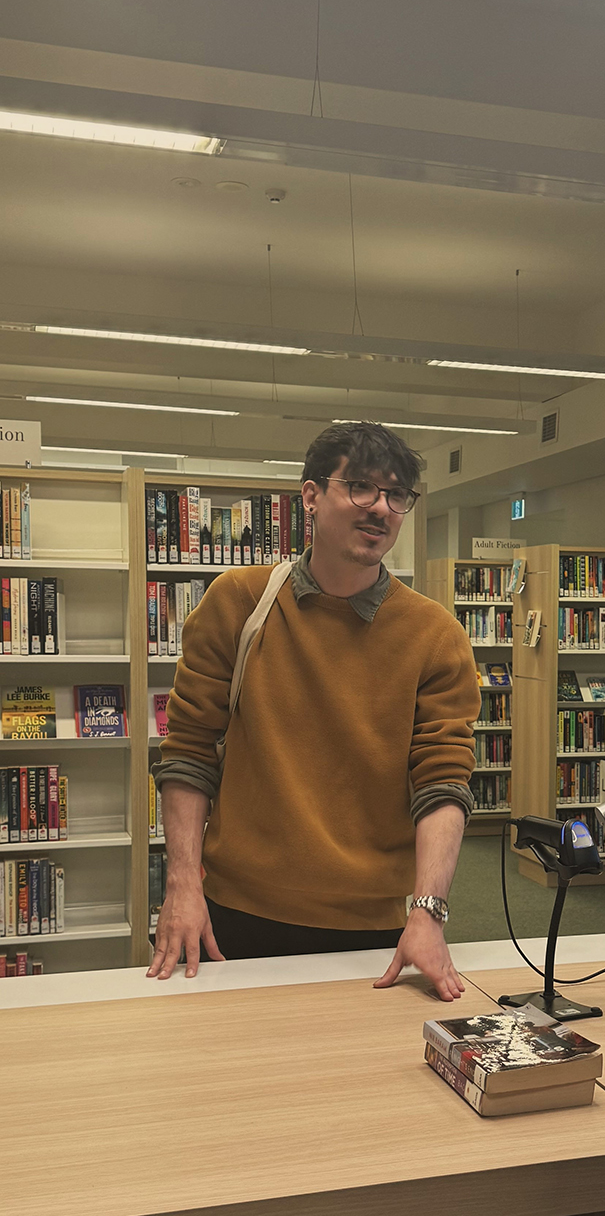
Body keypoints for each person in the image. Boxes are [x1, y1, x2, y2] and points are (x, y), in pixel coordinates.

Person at [148, 422, 481, 1000]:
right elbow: (188, 750)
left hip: (371, 927)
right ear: (310, 495)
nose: (380, 507)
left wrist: (428, 912)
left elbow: (442, 781)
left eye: (396, 495)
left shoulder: (435, 635)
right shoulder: (238, 603)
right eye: (361, 487)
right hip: (232, 915)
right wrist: (181, 883)